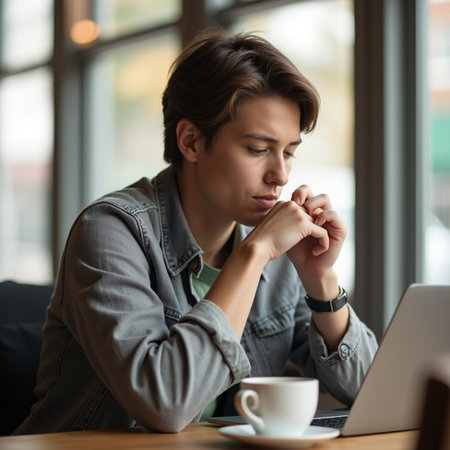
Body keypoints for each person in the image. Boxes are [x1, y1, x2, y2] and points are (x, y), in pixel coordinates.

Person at [14, 30, 378, 435]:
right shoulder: (111, 232)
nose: (281, 175)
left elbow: (372, 394)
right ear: (190, 141)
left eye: (289, 152)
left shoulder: (277, 256)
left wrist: (321, 280)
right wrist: (252, 254)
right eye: (258, 149)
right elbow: (165, 403)